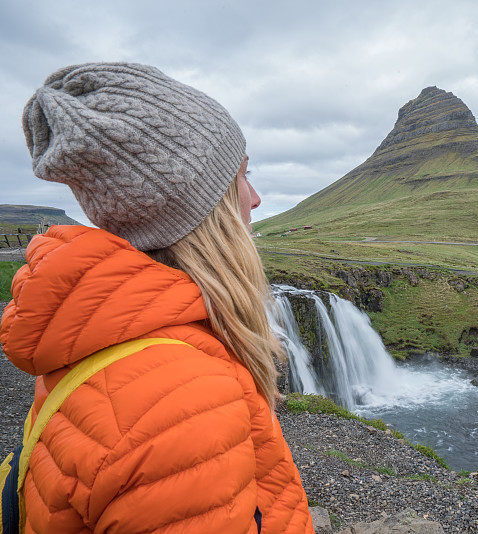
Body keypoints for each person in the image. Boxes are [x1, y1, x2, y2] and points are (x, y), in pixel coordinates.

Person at [0, 63, 314, 532]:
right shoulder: (182, 400)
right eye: (242, 177)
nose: (256, 198)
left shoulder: (112, 341)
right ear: (202, 211)